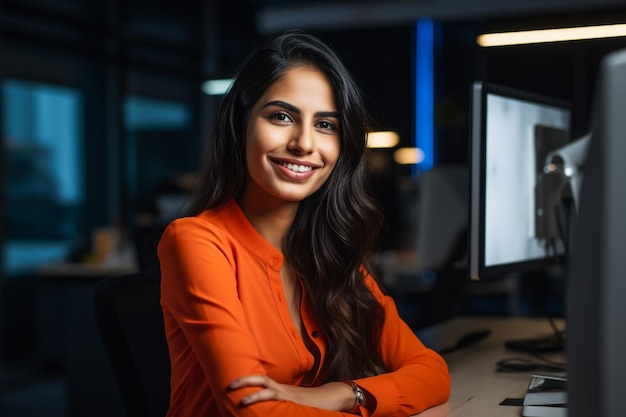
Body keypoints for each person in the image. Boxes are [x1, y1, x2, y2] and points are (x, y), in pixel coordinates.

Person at [157, 30, 451, 417]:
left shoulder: (333, 254)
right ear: (240, 125)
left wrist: (342, 394)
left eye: (325, 125)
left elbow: (434, 374)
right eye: (281, 116)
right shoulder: (196, 242)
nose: (304, 143)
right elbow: (255, 410)